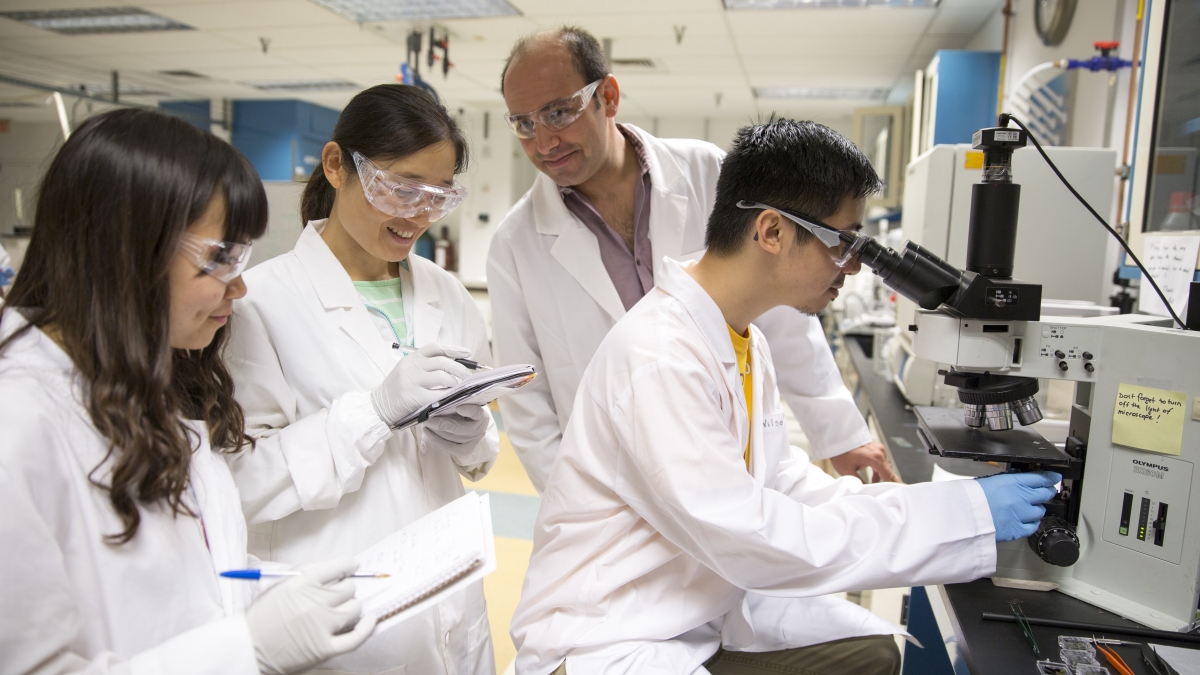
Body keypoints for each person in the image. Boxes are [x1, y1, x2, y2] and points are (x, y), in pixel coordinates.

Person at [508, 119, 1060, 675]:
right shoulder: (661, 357)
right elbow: (751, 535)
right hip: (607, 638)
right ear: (771, 232)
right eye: (843, 243)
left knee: (870, 655)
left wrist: (943, 509)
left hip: (685, 619)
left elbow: (781, 483)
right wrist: (956, 522)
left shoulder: (740, 338)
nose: (851, 267)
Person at [488, 25, 904, 665]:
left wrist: (839, 433)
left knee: (855, 641)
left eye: (558, 111)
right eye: (522, 123)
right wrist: (596, 508)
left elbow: (785, 308)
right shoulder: (516, 242)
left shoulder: (707, 171)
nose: (543, 141)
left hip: (723, 467)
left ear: (609, 96)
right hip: (617, 522)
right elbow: (527, 401)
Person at [0, 109, 374, 675]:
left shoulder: (143, 383)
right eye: (221, 259)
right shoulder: (17, 422)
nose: (241, 286)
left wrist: (274, 599)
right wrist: (244, 651)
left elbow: (187, 574)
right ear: (125, 250)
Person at [223, 84, 498, 675]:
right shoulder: (260, 303)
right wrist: (371, 412)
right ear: (335, 166)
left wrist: (470, 435)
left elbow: (480, 453)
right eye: (399, 188)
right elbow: (243, 482)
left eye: (436, 195)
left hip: (454, 607)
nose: (417, 215)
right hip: (341, 617)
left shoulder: (447, 294)